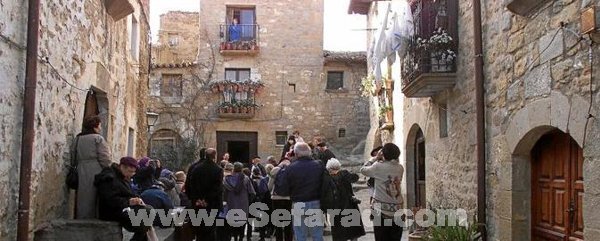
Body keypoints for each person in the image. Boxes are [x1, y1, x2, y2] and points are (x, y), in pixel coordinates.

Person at [95, 156, 154, 241]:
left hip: (123, 207)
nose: (131, 174)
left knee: (148, 211)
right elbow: (110, 200)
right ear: (122, 167)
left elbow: (128, 193)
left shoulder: (123, 177)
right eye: (130, 171)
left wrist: (136, 199)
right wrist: (129, 201)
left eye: (133, 172)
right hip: (112, 211)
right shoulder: (109, 178)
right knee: (146, 217)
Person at [279, 142, 324, 241]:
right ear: (310, 153)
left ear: (296, 154)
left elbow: (282, 190)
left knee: (300, 235)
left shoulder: (291, 168)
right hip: (315, 201)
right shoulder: (319, 165)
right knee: (317, 234)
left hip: (298, 203)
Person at [360, 143, 404, 241]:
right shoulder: (400, 168)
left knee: (381, 238)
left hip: (381, 211)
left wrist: (375, 158)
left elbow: (363, 170)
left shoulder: (378, 166)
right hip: (397, 208)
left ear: (383, 154)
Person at [73, 115, 112, 219]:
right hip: (96, 169)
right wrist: (109, 169)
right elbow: (104, 158)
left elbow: (73, 156)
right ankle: (93, 219)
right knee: (95, 195)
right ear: (95, 127)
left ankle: (82, 218)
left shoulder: (78, 139)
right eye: (99, 125)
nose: (100, 128)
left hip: (81, 168)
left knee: (83, 196)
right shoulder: (98, 138)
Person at [187, 148, 224, 240]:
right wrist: (206, 200)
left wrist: (197, 199)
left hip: (197, 204)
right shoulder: (218, 169)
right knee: (211, 229)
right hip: (212, 204)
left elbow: (191, 185)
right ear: (214, 156)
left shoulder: (195, 168)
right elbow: (217, 188)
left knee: (200, 230)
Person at [326, 158, 366, 241]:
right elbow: (356, 177)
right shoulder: (344, 174)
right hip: (350, 205)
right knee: (353, 232)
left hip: (336, 208)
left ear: (329, 168)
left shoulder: (328, 179)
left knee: (340, 234)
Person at [223, 162, 256, 241]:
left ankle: (234, 238)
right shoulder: (246, 179)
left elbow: (224, 192)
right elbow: (252, 192)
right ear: (241, 169)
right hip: (243, 204)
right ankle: (241, 238)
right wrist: (249, 200)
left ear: (233, 168)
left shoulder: (227, 179)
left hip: (231, 204)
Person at [269, 158, 293, 241]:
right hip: (288, 198)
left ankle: (279, 238)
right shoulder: (292, 170)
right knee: (288, 220)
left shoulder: (275, 170)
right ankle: (288, 238)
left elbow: (270, 186)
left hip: (276, 198)